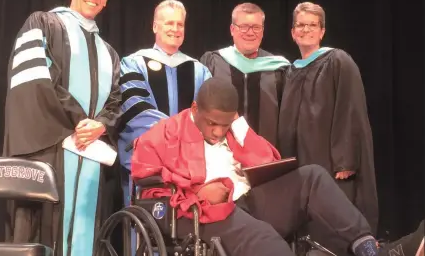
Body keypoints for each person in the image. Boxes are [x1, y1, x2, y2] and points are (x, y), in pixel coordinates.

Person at [131, 77, 423, 256]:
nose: (219, 132)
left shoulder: (235, 129)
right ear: (195, 109)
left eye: (225, 123)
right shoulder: (162, 135)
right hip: (206, 214)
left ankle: (368, 247)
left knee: (312, 178)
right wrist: (196, 197)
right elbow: (148, 191)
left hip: (247, 201)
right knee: (259, 235)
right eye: (211, 123)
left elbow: (268, 161)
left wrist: (242, 134)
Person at [3, 0, 123, 256]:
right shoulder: (42, 24)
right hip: (50, 150)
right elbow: (38, 82)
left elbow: (116, 99)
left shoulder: (109, 52)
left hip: (89, 155)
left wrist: (102, 125)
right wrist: (81, 123)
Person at [277, 2, 379, 254]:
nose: (306, 30)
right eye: (300, 25)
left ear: (322, 31)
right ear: (292, 32)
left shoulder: (337, 60)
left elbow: (350, 109)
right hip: (300, 158)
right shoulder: (290, 70)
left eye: (312, 25)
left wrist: (345, 160)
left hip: (330, 159)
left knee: (333, 219)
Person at [118, 0, 211, 193]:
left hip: (189, 163)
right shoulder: (134, 63)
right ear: (155, 26)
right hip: (148, 159)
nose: (175, 29)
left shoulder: (199, 70)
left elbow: (208, 113)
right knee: (147, 218)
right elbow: (136, 107)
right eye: (169, 23)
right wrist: (177, 134)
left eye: (180, 24)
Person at [200, 2, 290, 146]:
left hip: (266, 153)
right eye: (243, 27)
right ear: (232, 29)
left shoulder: (279, 68)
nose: (250, 32)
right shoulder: (214, 62)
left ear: (262, 31)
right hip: (221, 152)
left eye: (256, 27)